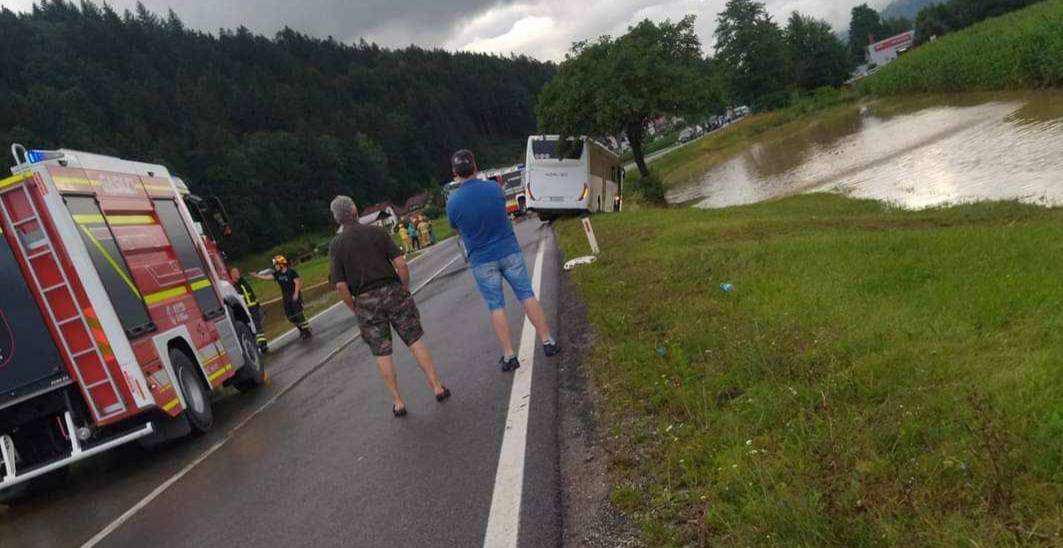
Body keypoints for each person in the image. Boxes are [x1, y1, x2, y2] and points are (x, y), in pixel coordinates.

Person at [329, 196, 450, 417]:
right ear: (355, 210)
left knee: (381, 352)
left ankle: (398, 401)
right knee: (414, 339)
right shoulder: (377, 233)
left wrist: (354, 307)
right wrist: (404, 288)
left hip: (365, 300)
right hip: (392, 290)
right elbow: (401, 264)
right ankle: (436, 386)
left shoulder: (336, 245)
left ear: (337, 218)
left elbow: (340, 285)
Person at [446, 149, 560, 372]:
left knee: (496, 306)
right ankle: (548, 341)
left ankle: (509, 355)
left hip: (481, 258)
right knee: (526, 294)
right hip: (508, 249)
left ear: (455, 173)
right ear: (475, 167)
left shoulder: (453, 201)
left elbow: (454, 226)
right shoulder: (494, 188)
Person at [251, 255, 312, 340]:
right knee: (290, 316)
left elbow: (297, 283)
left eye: (276, 265)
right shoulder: (277, 274)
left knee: (298, 314)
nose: (275, 267)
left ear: (281, 264)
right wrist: (257, 276)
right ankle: (300, 329)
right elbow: (267, 277)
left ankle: (306, 330)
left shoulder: (291, 272)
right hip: (286, 297)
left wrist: (296, 294)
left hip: (294, 295)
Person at [230, 267, 269, 352]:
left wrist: (258, 305)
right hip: (245, 309)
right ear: (231, 274)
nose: (238, 273)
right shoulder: (233, 286)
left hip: (253, 306)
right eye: (235, 272)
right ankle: (258, 344)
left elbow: (251, 293)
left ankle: (263, 345)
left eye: (238, 271)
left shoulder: (243, 282)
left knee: (257, 325)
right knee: (251, 327)